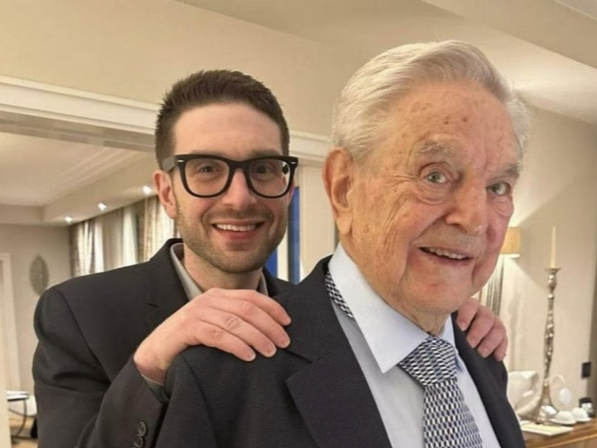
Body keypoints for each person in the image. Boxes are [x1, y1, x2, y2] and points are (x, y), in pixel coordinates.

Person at [33, 68, 509, 448]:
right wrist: (151, 368)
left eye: (263, 169)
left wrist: (430, 306)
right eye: (207, 169)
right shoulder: (81, 313)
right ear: (167, 192)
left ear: (289, 186)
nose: (240, 198)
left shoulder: (311, 320)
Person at [154, 41, 529, 447]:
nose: (474, 220)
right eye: (434, 175)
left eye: (498, 186)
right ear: (344, 188)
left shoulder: (483, 354)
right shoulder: (220, 377)